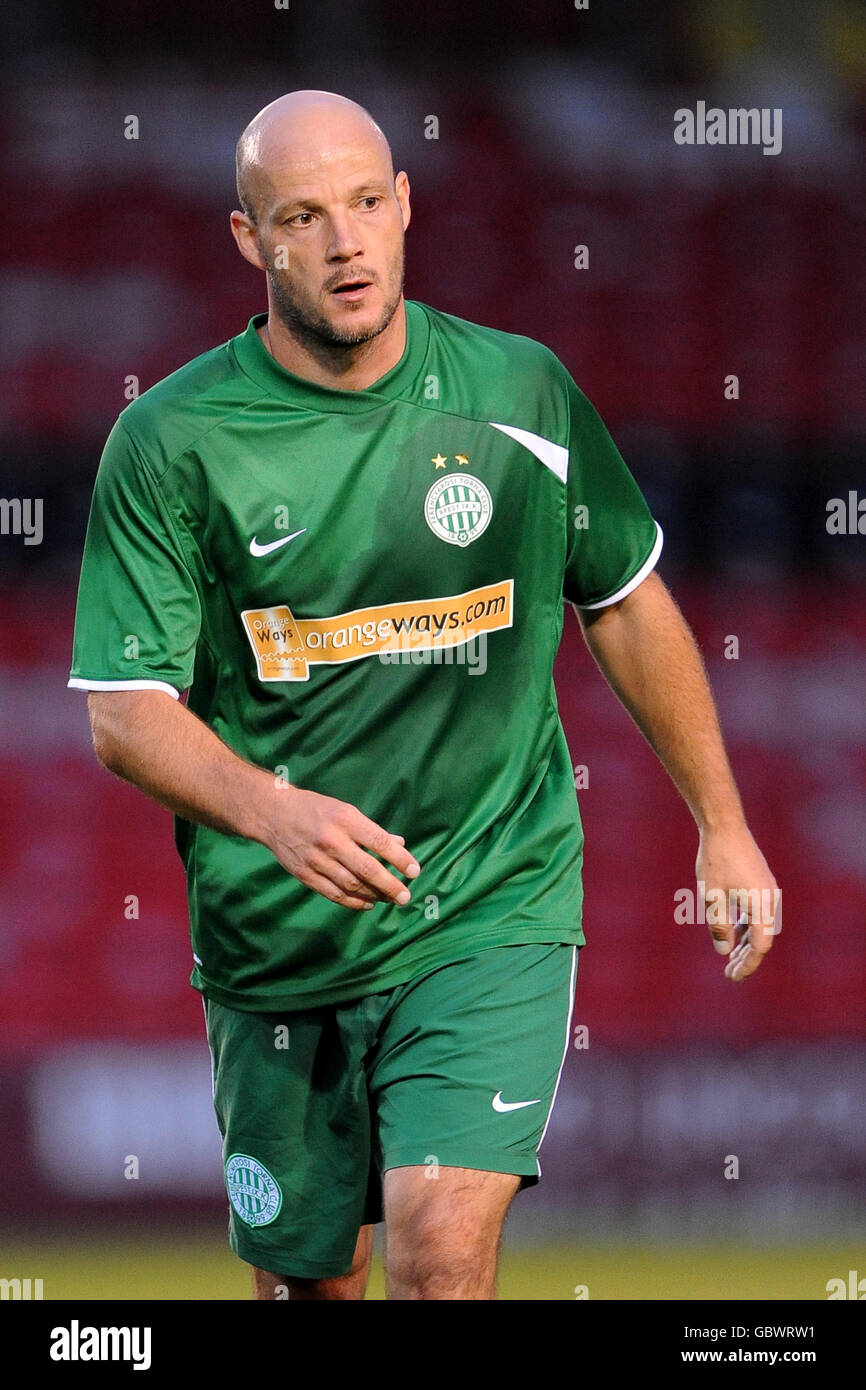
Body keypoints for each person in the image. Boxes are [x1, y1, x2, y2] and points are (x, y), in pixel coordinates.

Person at [67, 90, 777, 1301]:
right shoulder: (171, 440)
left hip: (487, 897)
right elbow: (124, 710)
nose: (342, 241)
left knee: (441, 1252)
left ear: (404, 208)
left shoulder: (524, 394)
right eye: (301, 215)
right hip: (274, 940)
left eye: (362, 203)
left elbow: (623, 599)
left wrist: (723, 824)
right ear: (250, 241)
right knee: (312, 1287)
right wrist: (275, 812)